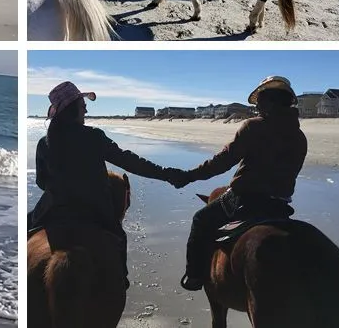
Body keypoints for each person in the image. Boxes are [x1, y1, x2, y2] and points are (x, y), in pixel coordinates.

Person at [27, 81, 185, 288]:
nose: (85, 108)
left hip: (52, 208)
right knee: (118, 238)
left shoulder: (44, 142)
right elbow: (129, 161)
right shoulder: (94, 136)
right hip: (95, 209)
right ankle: (122, 280)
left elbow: (41, 183)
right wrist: (167, 174)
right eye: (82, 104)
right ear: (73, 108)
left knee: (27, 230)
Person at [174, 76, 307, 291]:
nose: (257, 107)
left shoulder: (254, 127)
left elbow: (222, 162)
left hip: (245, 199)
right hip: (280, 204)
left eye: (260, 102)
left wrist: (189, 176)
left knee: (201, 219)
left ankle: (195, 275)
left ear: (270, 101)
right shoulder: (300, 136)